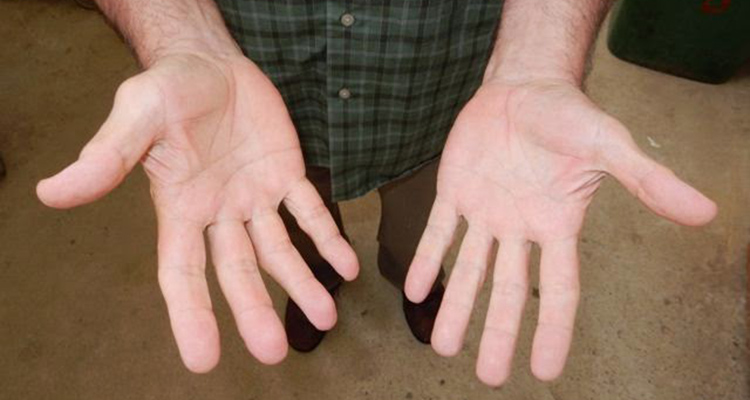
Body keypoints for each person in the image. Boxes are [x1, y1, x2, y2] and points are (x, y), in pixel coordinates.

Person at [36, 0, 717, 386]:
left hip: (444, 98)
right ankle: (322, 276)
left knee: (424, 232)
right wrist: (185, 40)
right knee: (297, 222)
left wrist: (538, 59)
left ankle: (413, 281)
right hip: (254, 100)